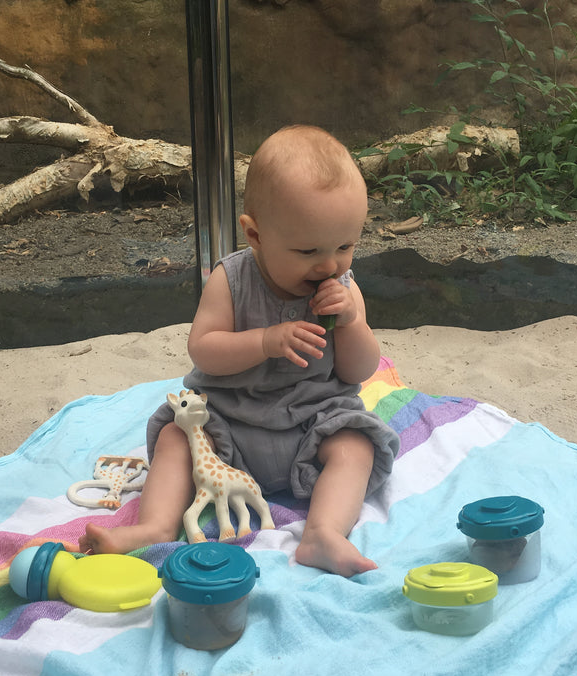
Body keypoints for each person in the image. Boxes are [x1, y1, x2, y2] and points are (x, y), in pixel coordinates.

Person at [79, 125, 399, 577]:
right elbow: (204, 351)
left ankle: (323, 534)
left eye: (345, 246)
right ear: (255, 234)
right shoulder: (231, 281)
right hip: (230, 424)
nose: (330, 264)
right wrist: (266, 341)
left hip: (314, 422)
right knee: (176, 436)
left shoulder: (344, 290)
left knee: (357, 444)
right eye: (308, 250)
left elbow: (359, 369)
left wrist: (351, 323)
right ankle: (153, 526)